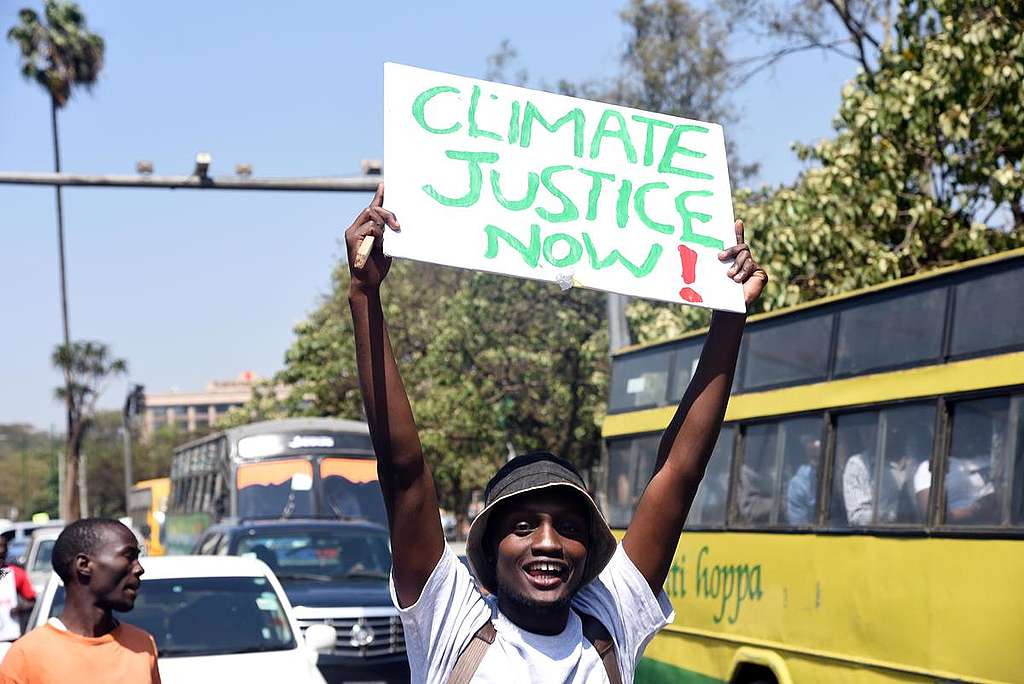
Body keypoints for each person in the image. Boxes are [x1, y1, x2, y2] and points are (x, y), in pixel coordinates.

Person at [345, 185, 767, 683]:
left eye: (568, 528)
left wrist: (729, 315)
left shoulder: (612, 623)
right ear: (489, 546)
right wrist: (364, 295)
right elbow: (405, 472)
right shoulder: (449, 623)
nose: (548, 543)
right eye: (523, 527)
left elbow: (679, 474)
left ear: (589, 548)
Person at [0, 518, 161, 683]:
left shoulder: (143, 645)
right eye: (128, 556)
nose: (139, 568)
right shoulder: (26, 656)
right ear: (84, 565)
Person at [0, 536, 36, 661]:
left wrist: (19, 608)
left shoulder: (16, 574)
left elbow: (33, 601)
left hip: (10, 640)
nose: (0, 550)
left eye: (3, 546)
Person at [786, 434, 821, 524]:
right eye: (809, 442)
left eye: (817, 441)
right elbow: (800, 528)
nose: (813, 447)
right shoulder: (799, 484)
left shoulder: (845, 473)